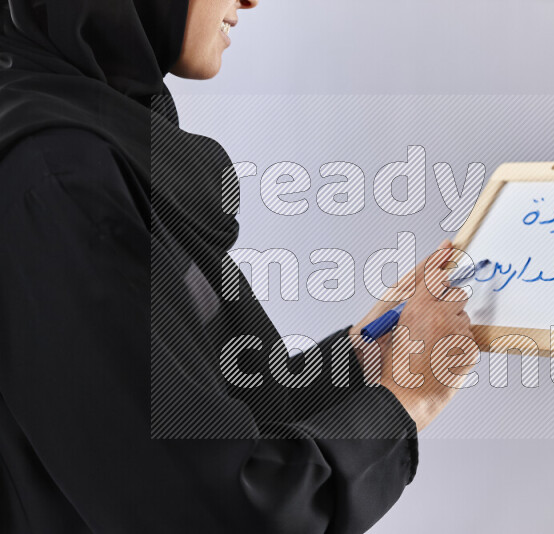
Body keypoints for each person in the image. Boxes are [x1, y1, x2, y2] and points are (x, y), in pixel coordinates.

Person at [0, 1, 476, 533]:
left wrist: (361, 355)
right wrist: (405, 402)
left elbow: (202, 402)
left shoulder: (83, 141)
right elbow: (206, 511)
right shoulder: (56, 178)